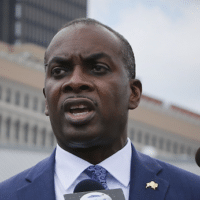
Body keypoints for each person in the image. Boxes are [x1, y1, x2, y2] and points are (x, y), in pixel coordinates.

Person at [0, 18, 200, 200]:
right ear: (46, 101)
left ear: (133, 93)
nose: (75, 82)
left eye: (97, 68)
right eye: (59, 71)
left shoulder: (191, 192)